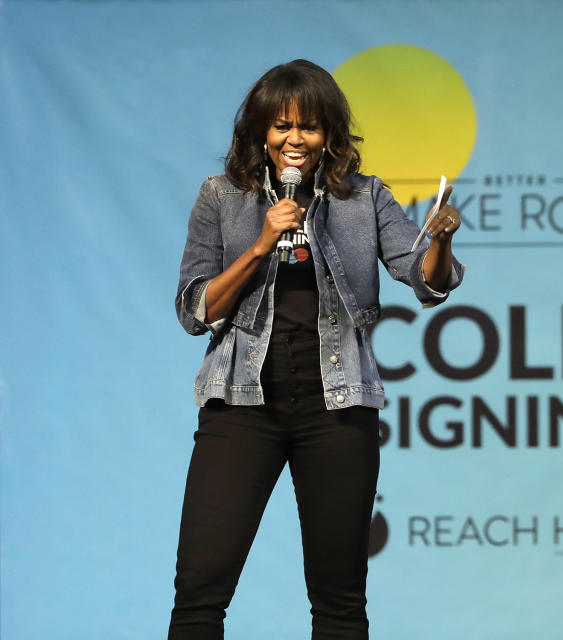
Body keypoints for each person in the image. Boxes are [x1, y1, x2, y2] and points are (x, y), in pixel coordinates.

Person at [169, 59, 464, 640]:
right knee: (200, 593)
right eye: (281, 126)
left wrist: (442, 239)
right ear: (260, 132)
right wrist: (259, 247)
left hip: (337, 408)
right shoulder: (221, 197)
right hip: (241, 404)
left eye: (308, 127)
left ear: (329, 133)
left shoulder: (363, 198)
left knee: (339, 600)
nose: (294, 139)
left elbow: (426, 280)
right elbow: (194, 308)